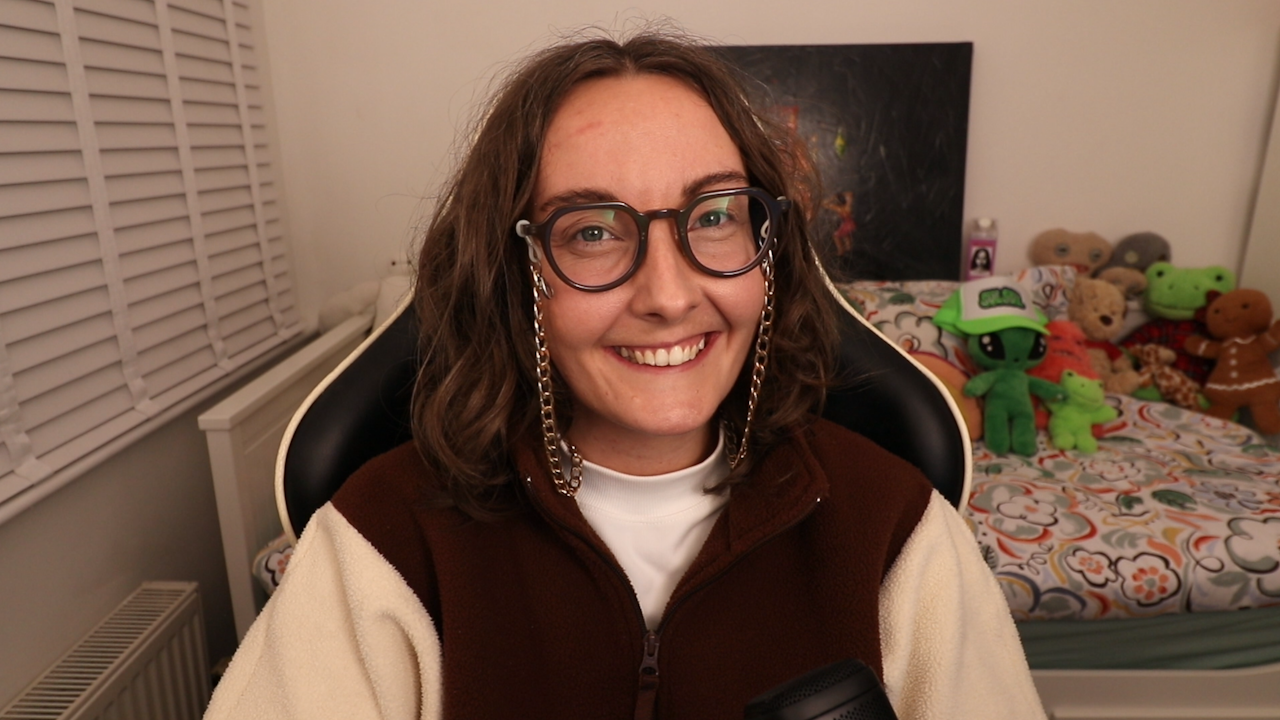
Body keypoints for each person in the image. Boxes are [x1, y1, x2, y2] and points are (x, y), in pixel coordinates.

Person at [205, 29, 1046, 720]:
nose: (670, 295)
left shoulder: (895, 531)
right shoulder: (384, 543)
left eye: (715, 216)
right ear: (517, 273)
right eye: (594, 232)